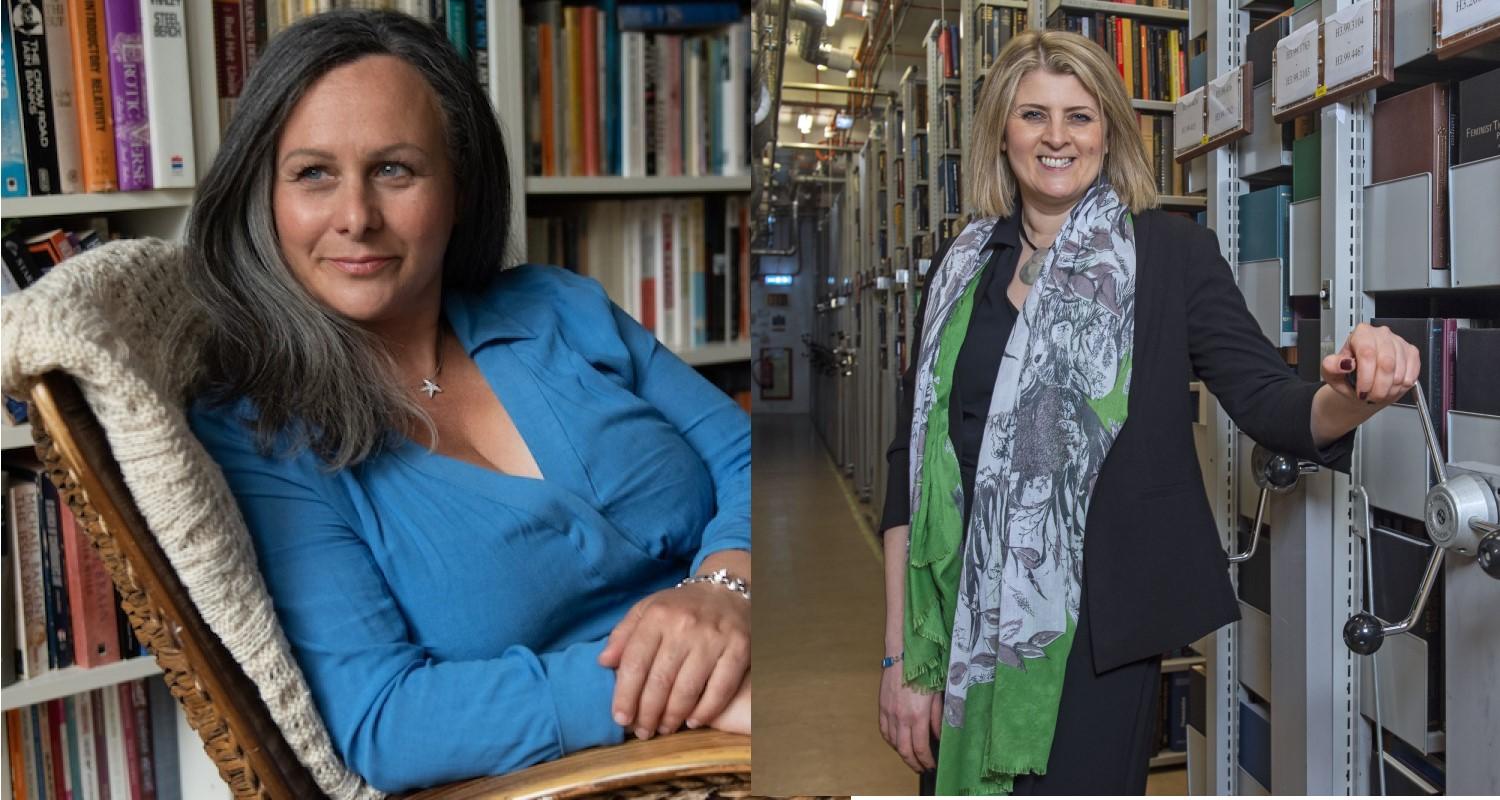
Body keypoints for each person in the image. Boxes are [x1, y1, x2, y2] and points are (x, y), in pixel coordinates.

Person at [180, 10, 749, 794]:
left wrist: (726, 586)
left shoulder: (554, 305)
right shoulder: (261, 433)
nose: (355, 217)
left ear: (459, 185)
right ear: (261, 196)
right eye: (313, 173)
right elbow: (387, 720)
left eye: (395, 170)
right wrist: (691, 688)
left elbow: (747, 454)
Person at [876, 30, 1418, 795]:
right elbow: (909, 461)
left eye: (1080, 116)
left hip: (1103, 629)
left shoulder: (1169, 255)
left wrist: (1357, 387)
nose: (1057, 137)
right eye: (1034, 114)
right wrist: (900, 654)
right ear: (1002, 131)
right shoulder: (961, 267)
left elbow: (1276, 407)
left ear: (1109, 134)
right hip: (953, 620)